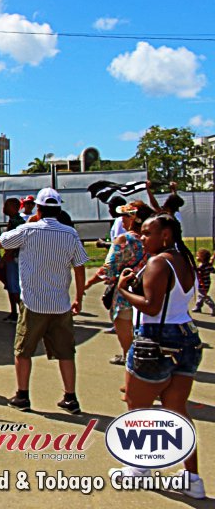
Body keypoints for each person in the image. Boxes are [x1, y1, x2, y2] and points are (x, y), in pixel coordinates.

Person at [112, 213, 206, 499]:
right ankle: (192, 478)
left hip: (156, 339)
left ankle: (140, 469)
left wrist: (122, 290)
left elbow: (151, 307)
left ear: (165, 235)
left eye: (147, 233)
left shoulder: (158, 262)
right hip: (186, 337)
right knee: (177, 411)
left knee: (137, 406)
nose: (142, 237)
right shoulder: (184, 261)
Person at [0, 187, 88, 414]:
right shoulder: (70, 234)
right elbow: (79, 267)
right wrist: (78, 297)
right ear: (58, 209)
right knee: (66, 352)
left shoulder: (28, 230)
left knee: (23, 350)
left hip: (33, 302)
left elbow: (2, 242)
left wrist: (31, 222)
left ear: (38, 208)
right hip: (60, 303)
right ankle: (71, 397)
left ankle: (22, 395)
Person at [83, 202, 153, 366]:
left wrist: (88, 283)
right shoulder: (151, 240)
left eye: (124, 215)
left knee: (126, 334)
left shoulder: (124, 239)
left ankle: (132, 367)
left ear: (133, 218)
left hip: (125, 294)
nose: (121, 219)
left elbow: (107, 269)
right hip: (148, 293)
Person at [0, 197, 24, 322]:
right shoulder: (15, 220)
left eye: (6, 206)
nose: (3, 208)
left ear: (13, 207)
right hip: (13, 257)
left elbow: (13, 244)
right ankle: (14, 312)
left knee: (13, 286)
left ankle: (20, 312)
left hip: (14, 258)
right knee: (10, 285)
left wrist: (4, 259)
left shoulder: (16, 222)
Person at [193, 248, 215, 314]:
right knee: (201, 295)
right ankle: (198, 307)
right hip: (207, 283)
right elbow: (212, 269)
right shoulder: (209, 265)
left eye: (198, 256)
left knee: (204, 296)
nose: (196, 257)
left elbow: (196, 269)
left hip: (203, 284)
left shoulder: (202, 266)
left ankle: (213, 307)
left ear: (202, 258)